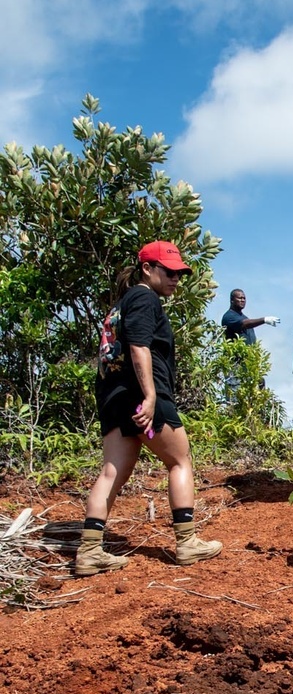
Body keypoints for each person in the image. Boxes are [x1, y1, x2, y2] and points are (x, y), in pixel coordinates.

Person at [74, 240, 223, 576]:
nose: (176, 279)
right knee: (179, 460)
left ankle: (89, 550)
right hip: (142, 396)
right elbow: (140, 348)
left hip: (114, 398)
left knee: (112, 471)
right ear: (147, 269)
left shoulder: (122, 305)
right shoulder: (144, 297)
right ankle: (187, 542)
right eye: (169, 272)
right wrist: (151, 397)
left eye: (180, 273)